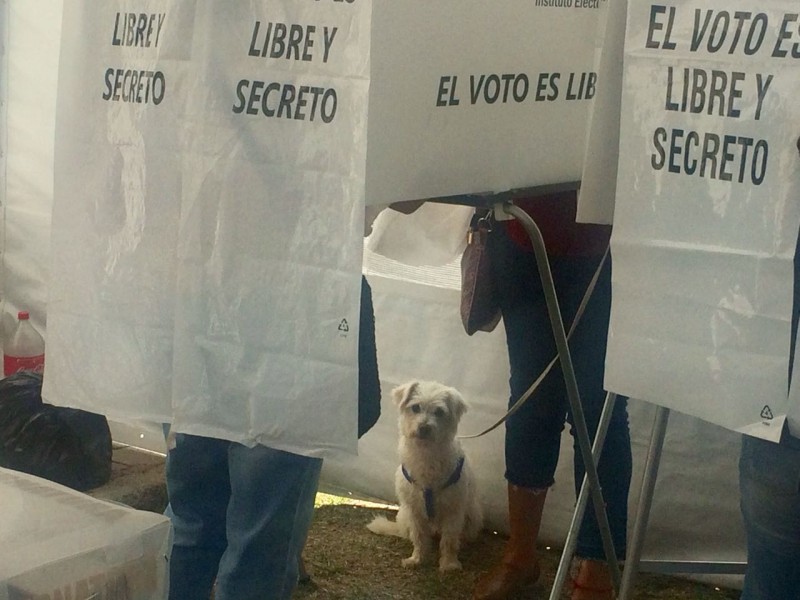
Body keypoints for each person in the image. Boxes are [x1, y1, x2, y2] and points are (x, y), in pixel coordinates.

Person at [472, 190, 632, 600]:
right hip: (522, 230)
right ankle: (520, 558)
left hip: (609, 245)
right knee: (530, 400)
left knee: (599, 412)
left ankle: (597, 572)